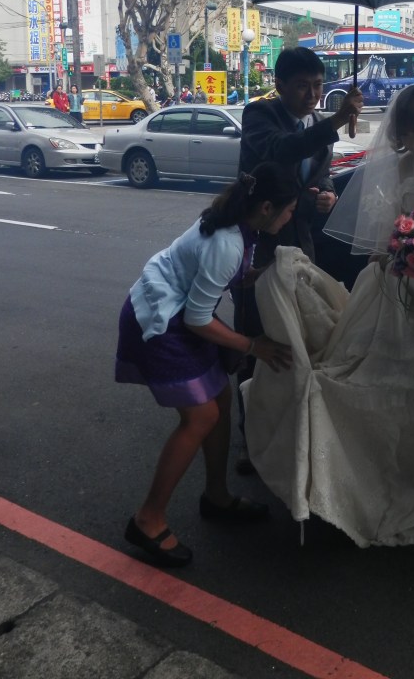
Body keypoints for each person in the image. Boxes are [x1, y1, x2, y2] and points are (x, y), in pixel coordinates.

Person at [242, 85, 414, 548]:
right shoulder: (405, 165)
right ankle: (381, 468)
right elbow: (392, 223)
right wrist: (400, 246)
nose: (408, 142)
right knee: (391, 374)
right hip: (402, 281)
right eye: (404, 133)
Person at [115, 163, 298, 568]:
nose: (290, 218)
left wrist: (261, 276)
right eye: (288, 211)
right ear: (267, 207)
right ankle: (147, 519)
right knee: (201, 417)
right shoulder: (228, 243)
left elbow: (217, 279)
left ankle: (216, 496)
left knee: (221, 399)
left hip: (182, 313)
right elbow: (198, 318)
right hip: (163, 319)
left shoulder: (240, 226)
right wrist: (253, 346)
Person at [232, 46, 364, 473]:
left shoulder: (315, 122)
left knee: (295, 341)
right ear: (280, 85)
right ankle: (251, 439)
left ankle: (289, 430)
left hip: (301, 247)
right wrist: (336, 121)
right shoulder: (259, 115)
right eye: (303, 86)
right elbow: (280, 152)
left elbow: (318, 176)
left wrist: (327, 194)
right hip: (258, 248)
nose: (312, 95)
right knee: (257, 342)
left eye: (318, 86)